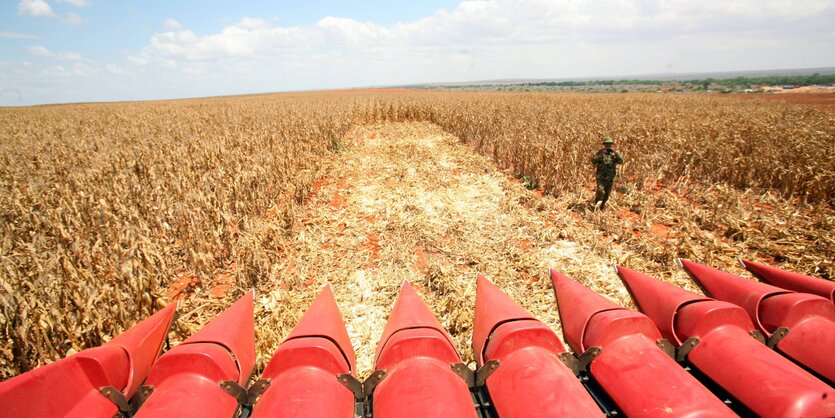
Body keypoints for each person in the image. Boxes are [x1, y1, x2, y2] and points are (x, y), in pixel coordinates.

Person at [591, 137, 623, 209]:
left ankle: (602, 205)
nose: (608, 146)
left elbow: (621, 161)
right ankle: (596, 204)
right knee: (600, 190)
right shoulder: (600, 152)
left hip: (610, 176)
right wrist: (600, 155)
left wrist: (616, 153)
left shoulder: (614, 153)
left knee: (607, 193)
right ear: (604, 145)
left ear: (612, 145)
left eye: (609, 144)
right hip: (601, 176)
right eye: (606, 144)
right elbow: (593, 161)